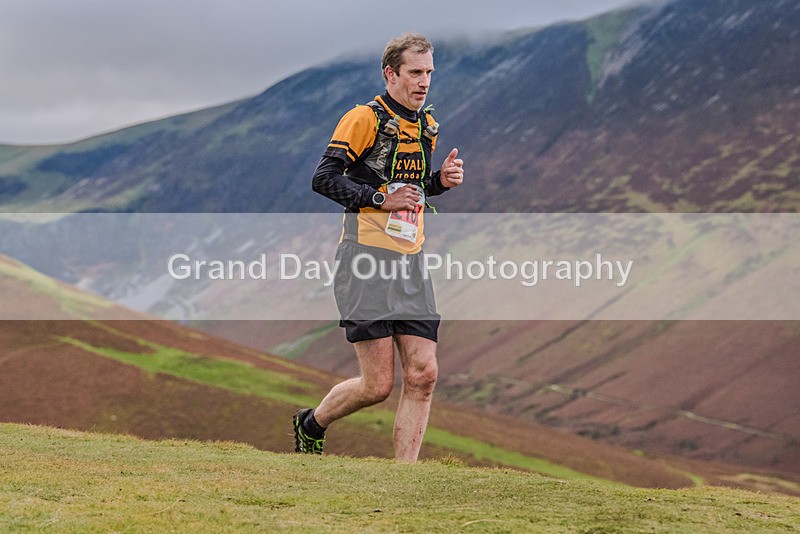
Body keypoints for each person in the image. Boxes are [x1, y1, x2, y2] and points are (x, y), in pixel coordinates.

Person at [295, 32, 464, 462]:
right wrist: (378, 200)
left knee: (424, 374)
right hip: (365, 261)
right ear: (390, 74)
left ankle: (403, 479)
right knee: (377, 387)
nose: (424, 82)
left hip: (411, 261)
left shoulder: (427, 125)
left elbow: (409, 189)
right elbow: (324, 178)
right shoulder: (363, 118)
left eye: (429, 72)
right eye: (415, 72)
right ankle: (311, 423)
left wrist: (437, 183)